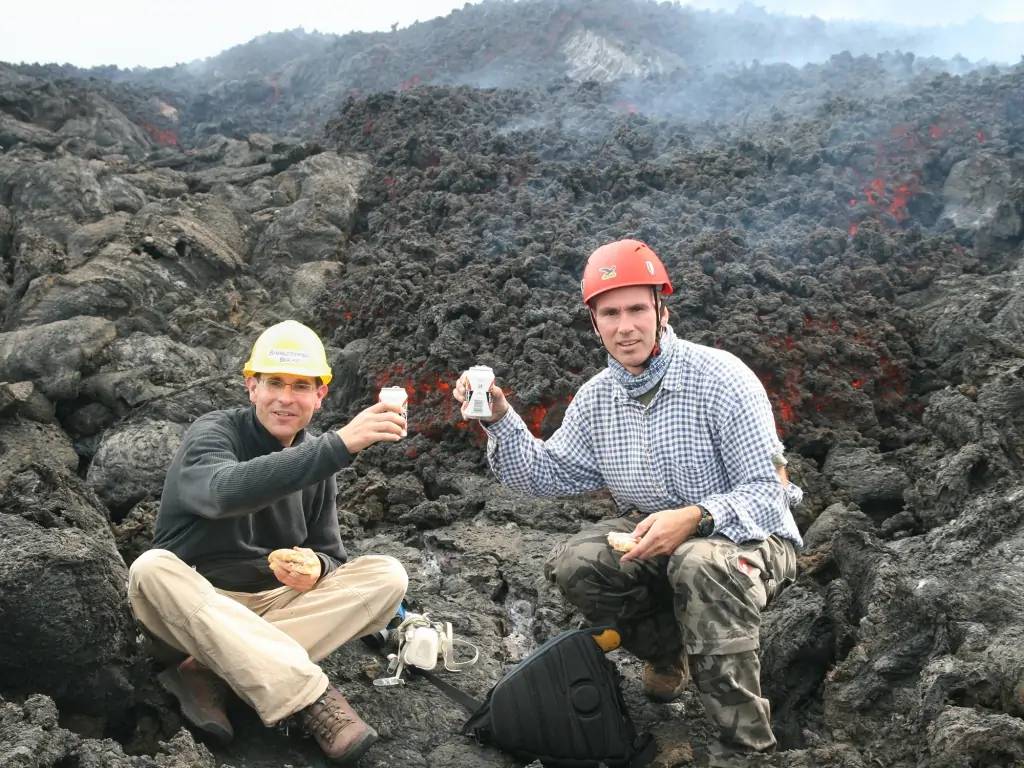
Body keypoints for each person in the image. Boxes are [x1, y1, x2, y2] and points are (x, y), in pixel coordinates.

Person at [453, 240, 802, 764]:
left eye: (638, 308)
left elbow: (769, 492)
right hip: (659, 539)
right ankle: (668, 655)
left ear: (663, 309)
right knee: (579, 563)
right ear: (594, 323)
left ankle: (745, 747)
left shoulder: (722, 379)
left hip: (752, 537)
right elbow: (545, 474)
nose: (626, 327)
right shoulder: (597, 399)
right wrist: (499, 418)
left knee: (698, 562)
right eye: (610, 313)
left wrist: (698, 516)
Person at [128, 320, 409, 765]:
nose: (284, 397)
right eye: (274, 382)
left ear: (320, 396)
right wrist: (340, 445)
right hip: (195, 606)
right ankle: (311, 699)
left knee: (387, 575)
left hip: (273, 602)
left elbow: (332, 556)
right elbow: (222, 493)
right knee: (150, 568)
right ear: (251, 386)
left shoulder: (319, 458)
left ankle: (210, 672)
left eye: (300, 386)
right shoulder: (215, 432)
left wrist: (316, 566)